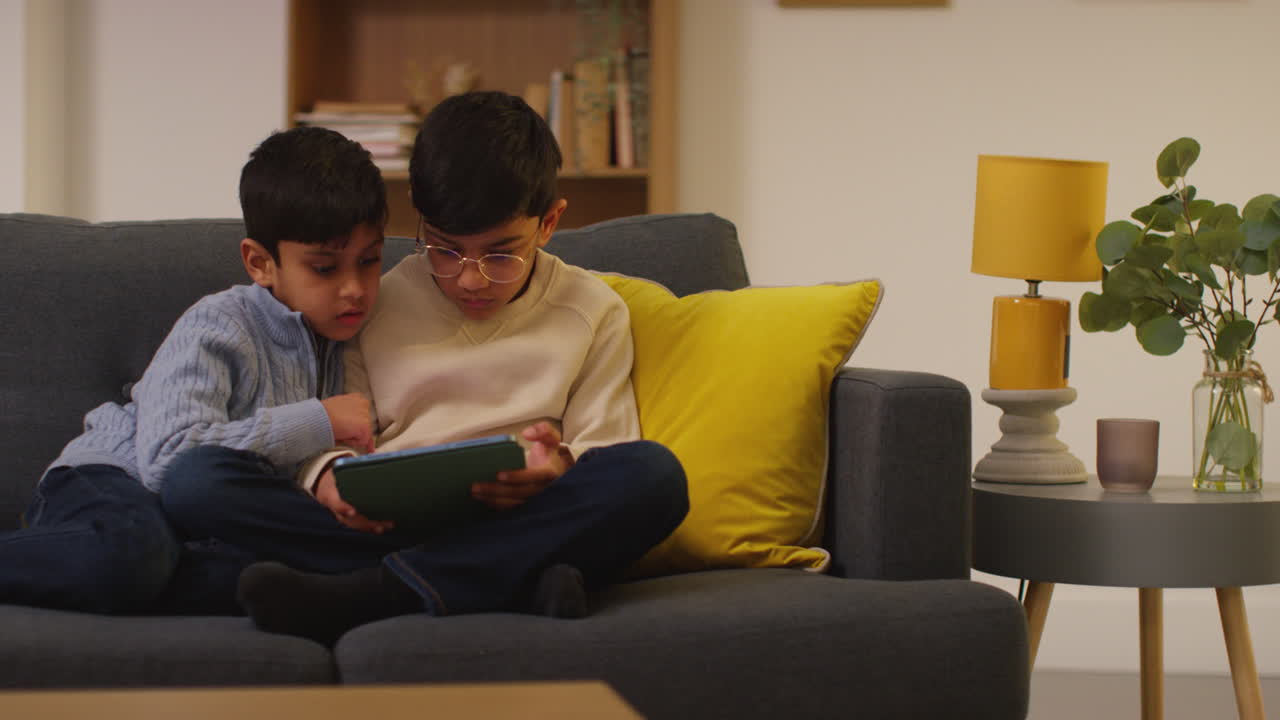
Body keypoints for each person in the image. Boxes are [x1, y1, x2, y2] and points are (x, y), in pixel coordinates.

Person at [161, 91, 689, 646]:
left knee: (654, 476)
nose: (470, 279)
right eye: (445, 249)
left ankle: (380, 592)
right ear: (418, 212)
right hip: (390, 523)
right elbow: (336, 422)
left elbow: (605, 446)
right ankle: (514, 579)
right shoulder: (372, 301)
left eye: (501, 254)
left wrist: (556, 469)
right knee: (197, 482)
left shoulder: (593, 310)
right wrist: (328, 477)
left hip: (524, 516)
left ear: (549, 222)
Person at [0, 125, 388, 615]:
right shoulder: (221, 324)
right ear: (260, 263)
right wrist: (320, 421)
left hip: (193, 526)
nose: (354, 288)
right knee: (132, 554)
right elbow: (170, 459)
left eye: (370, 262)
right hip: (114, 480)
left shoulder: (348, 339)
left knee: (256, 575)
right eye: (325, 268)